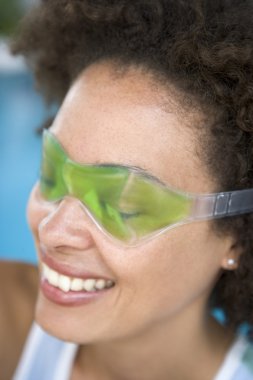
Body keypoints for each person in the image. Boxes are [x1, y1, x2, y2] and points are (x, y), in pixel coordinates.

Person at [2, 0, 253, 379]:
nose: (53, 232)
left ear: (234, 238)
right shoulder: (9, 320)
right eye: (52, 174)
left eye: (122, 205)